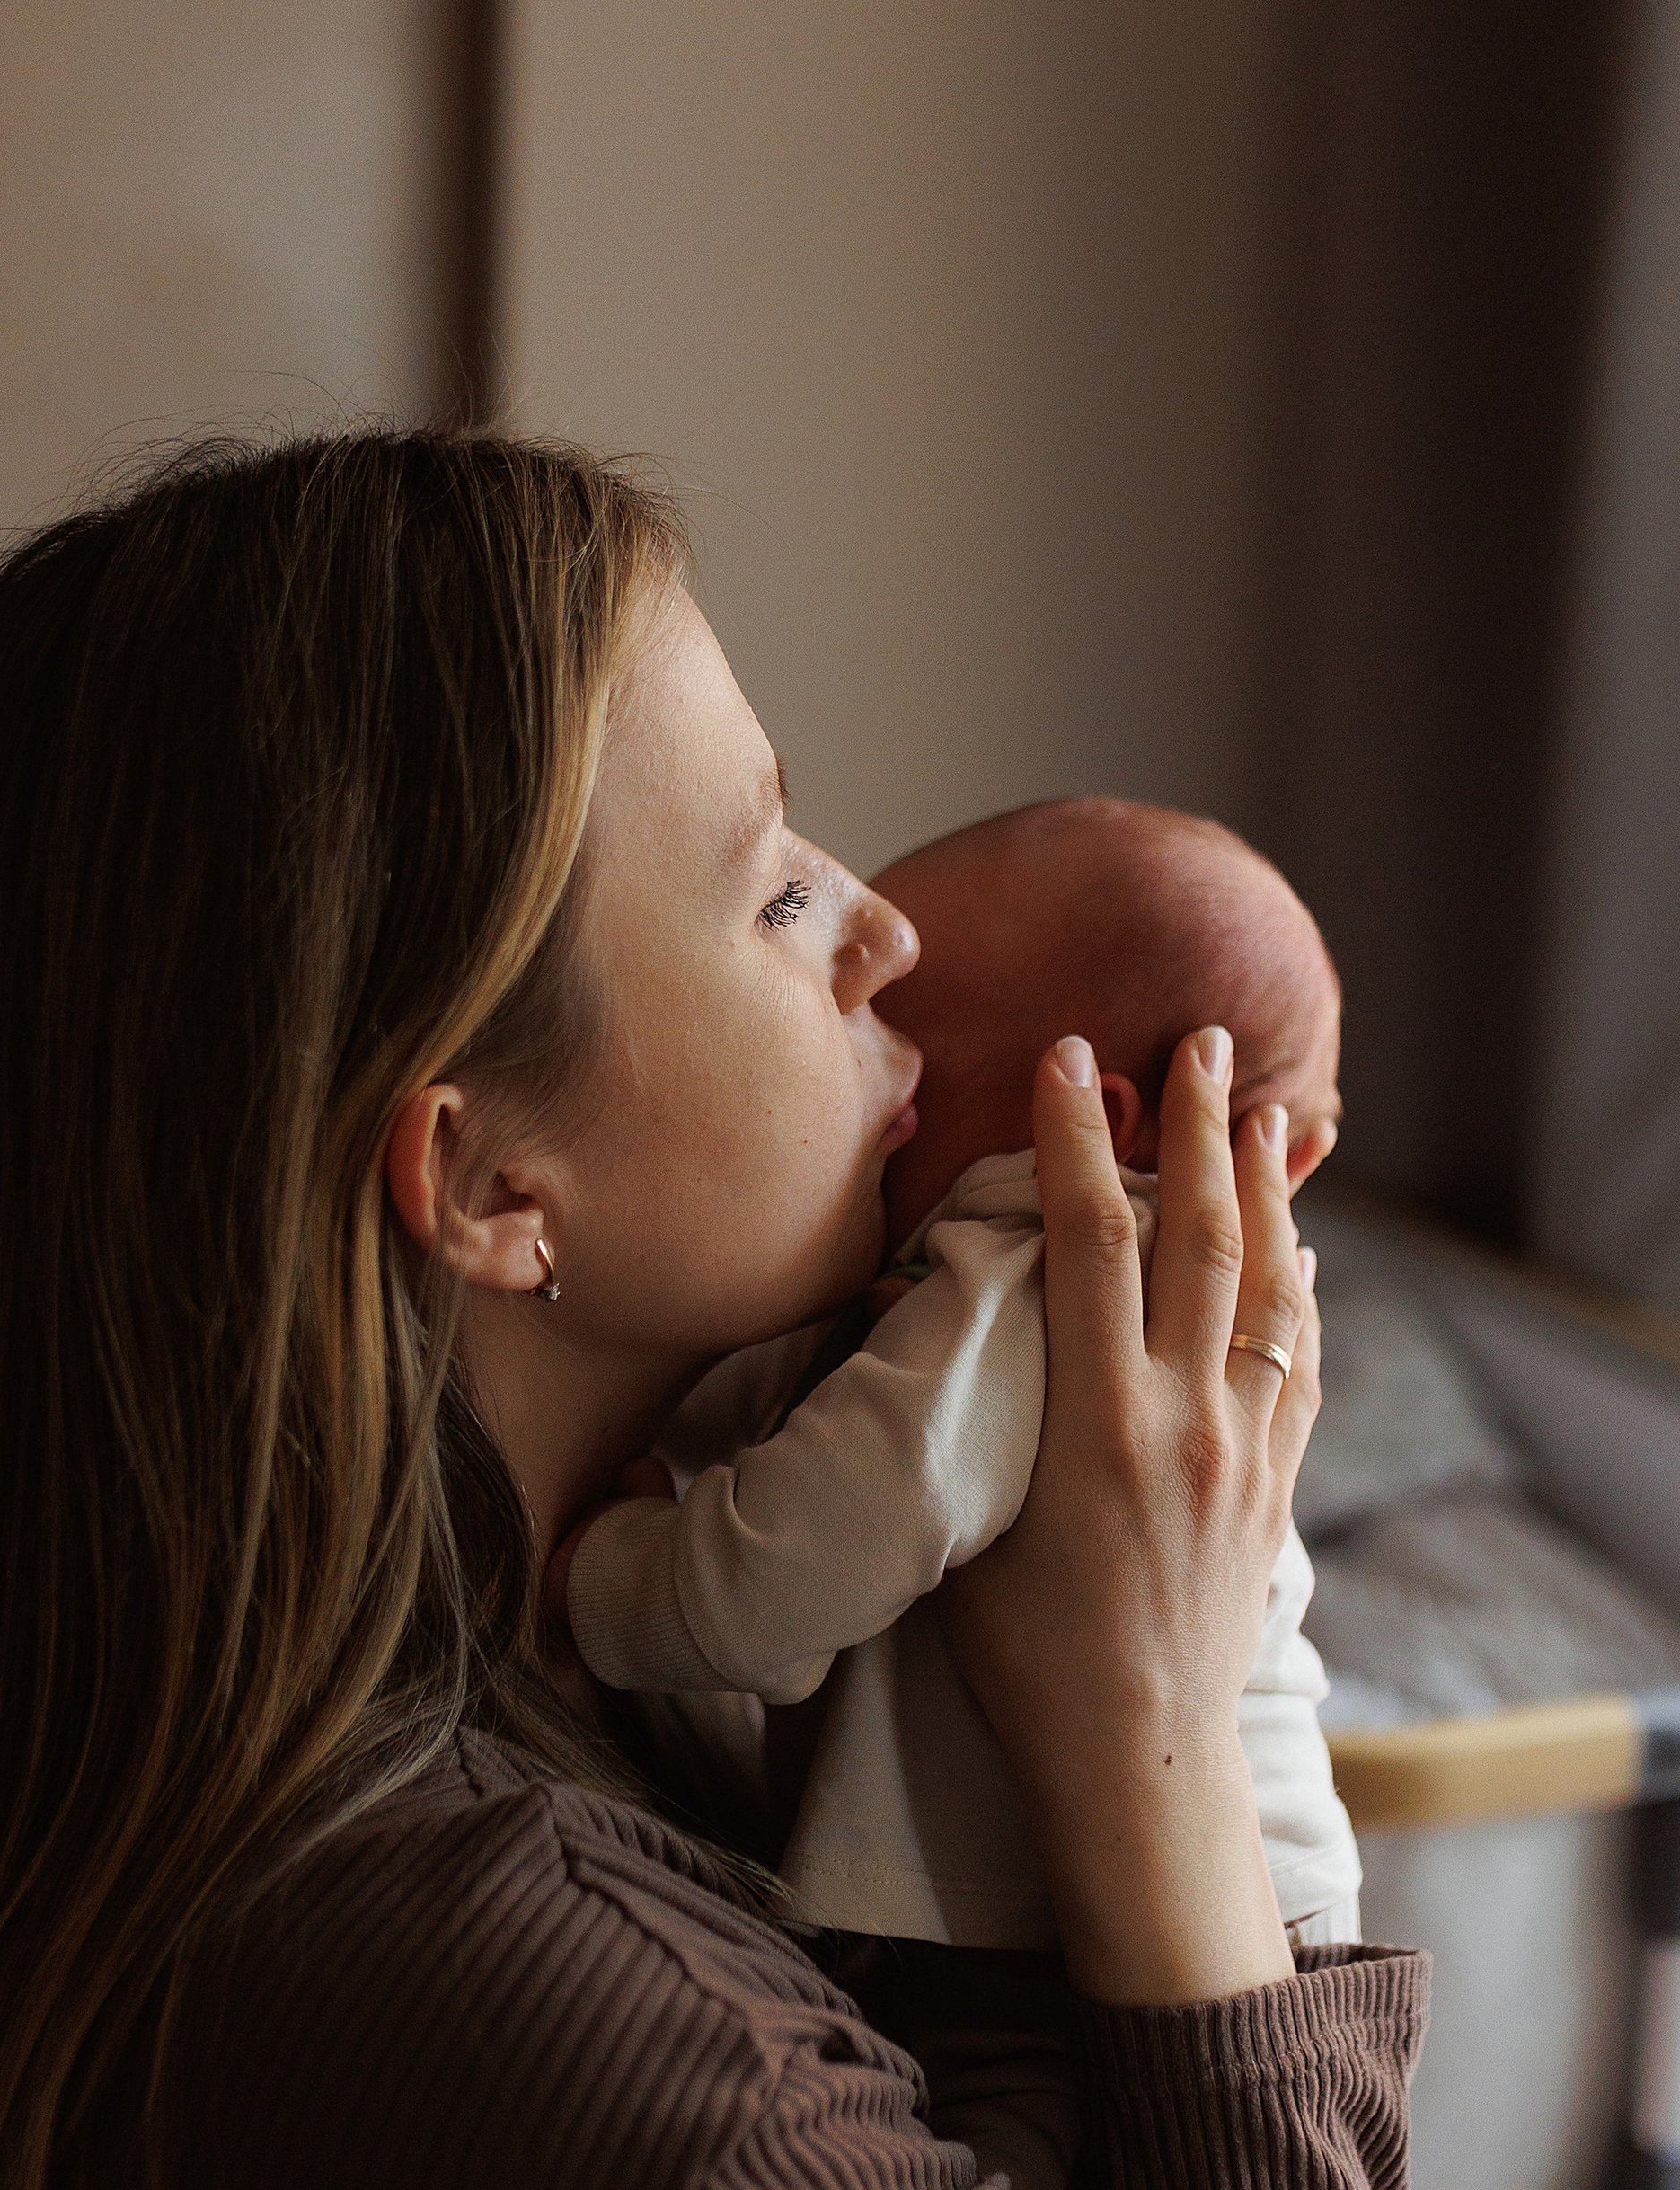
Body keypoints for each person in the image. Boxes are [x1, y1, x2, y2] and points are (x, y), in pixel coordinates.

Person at [0, 430, 1427, 2190]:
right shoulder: (609, 2047)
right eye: (773, 885)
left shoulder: (338, 1724)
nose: (885, 931)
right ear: (490, 1181)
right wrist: (1152, 1736)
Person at [558, 799, 1362, 1957]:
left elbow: (783, 1583)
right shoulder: (956, 1290)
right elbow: (815, 1391)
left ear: (1083, 1122)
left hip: (1144, 1947)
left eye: (901, 1037)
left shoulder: (1039, 1295)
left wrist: (614, 1573)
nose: (863, 1059)